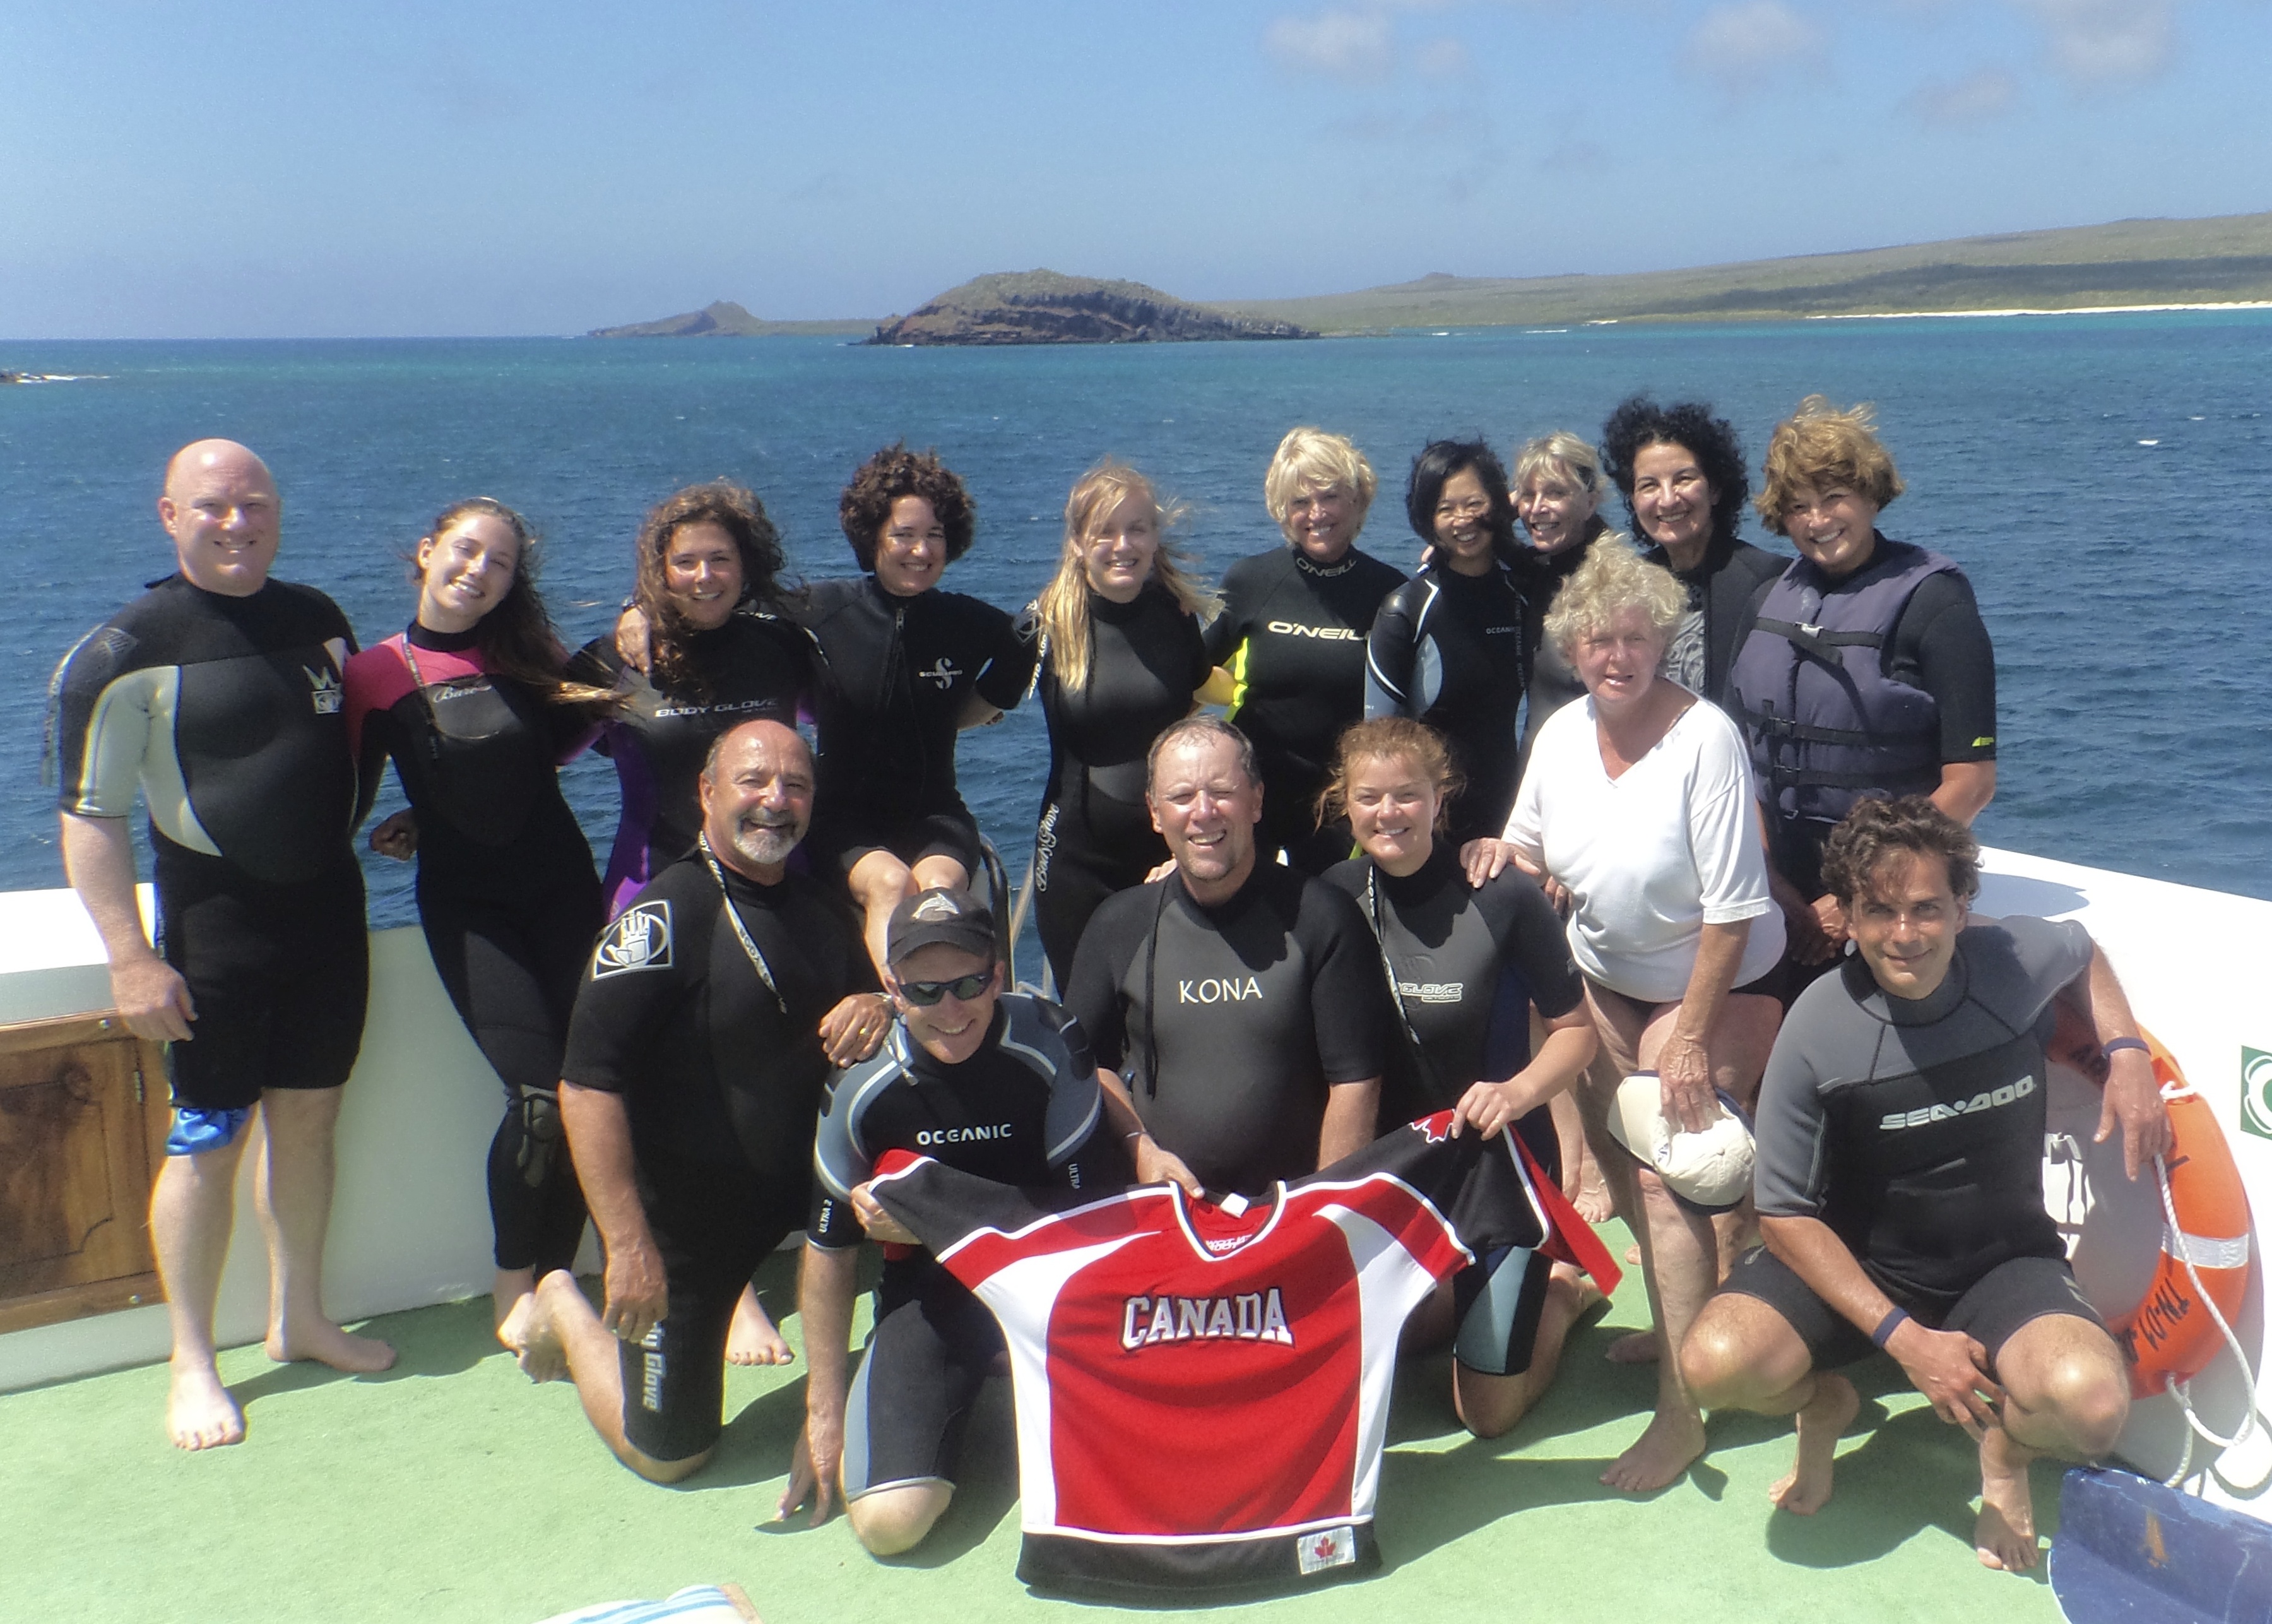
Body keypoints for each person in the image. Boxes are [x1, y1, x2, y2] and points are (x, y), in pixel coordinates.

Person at [1679, 797, 2169, 1572]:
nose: (1904, 934)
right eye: (1879, 910)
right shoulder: (1819, 1025)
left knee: (2095, 1408)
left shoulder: (2012, 961)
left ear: (1962, 906)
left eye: (1925, 908)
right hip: (1860, 1262)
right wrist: (1906, 1341)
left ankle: (2003, 1454)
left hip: (2002, 1262)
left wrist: (2127, 1049)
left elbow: (2084, 951)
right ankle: (1826, 1401)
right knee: (1713, 1364)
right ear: (1850, 913)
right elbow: (1782, 1214)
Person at [52, 438, 393, 1450]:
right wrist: (130, 955)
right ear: (169, 515)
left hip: (329, 918)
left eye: (255, 503)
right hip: (215, 933)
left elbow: (356, 749)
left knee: (312, 1124)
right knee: (206, 1143)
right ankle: (192, 1359)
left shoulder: (319, 620)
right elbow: (90, 815)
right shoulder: (124, 651)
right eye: (213, 507)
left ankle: (302, 1317)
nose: (237, 521)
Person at [1475, 541, 1786, 1491]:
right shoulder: (1564, 731)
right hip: (1604, 977)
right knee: (1619, 1164)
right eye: (1600, 639)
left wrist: (1689, 1035)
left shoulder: (1706, 740)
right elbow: (1525, 846)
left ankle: (1684, 1414)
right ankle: (1682, 1319)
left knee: (1667, 1181)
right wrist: (1497, 853)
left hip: (1712, 980)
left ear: (1665, 643)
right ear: (1573, 646)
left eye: (1638, 638)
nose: (1619, 655)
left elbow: (1733, 911)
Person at [512, 720, 890, 1484]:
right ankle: (559, 1301)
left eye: (796, 785)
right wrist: (628, 1248)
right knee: (673, 1457)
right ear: (707, 793)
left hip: (804, 1194)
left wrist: (876, 1001)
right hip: (687, 1230)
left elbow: (875, 1003)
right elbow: (586, 1085)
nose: (775, 801)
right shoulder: (664, 917)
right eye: (754, 781)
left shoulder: (818, 909)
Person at [781, 886, 1130, 1555]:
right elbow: (827, 1248)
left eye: (970, 983)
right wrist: (820, 1409)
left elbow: (1091, 1221)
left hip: (1050, 1287)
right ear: (892, 985)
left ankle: (1016, 1375)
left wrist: (938, 1214)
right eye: (923, 991)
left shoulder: (1050, 1042)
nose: (950, 1009)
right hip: (931, 1300)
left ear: (999, 972)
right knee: (890, 1525)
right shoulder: (860, 1079)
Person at [345, 497, 609, 1342]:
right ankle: (514, 1283)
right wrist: (422, 815)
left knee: (587, 1089)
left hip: (566, 892)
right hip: (471, 911)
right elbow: (340, 798)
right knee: (537, 1098)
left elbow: (555, 748)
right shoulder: (376, 673)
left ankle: (563, 1274)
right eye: (465, 551)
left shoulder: (528, 654)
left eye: (498, 563)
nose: (478, 571)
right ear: (427, 552)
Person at [1322, 718, 1601, 1436]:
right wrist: (1167, 876)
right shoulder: (1327, 899)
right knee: (1380, 1343)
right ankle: (1450, 1291)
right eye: (1370, 797)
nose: (1390, 813)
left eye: (1409, 795)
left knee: (1485, 1414)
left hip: (1496, 1171)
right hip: (1399, 1174)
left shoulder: (1501, 893)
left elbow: (1579, 1035)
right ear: (1345, 804)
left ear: (1440, 799)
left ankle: (1563, 1291)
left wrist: (1516, 1093)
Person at [1064, 716, 1392, 1198]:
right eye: (1181, 797)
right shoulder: (1119, 924)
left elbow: (1356, 1082)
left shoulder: (1323, 918)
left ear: (1256, 800)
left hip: (1291, 1213)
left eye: (1222, 791)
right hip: (1165, 1209)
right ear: (1155, 812)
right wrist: (1141, 1151)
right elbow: (1083, 1064)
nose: (1203, 812)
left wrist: (1324, 1208)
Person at [1731, 396, 1999, 975]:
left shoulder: (1936, 602)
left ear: (1871, 494)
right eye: (1798, 506)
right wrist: (1773, 885)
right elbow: (1741, 763)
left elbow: (1972, 782)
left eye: (1833, 498)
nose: (1818, 520)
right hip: (1776, 893)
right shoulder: (1766, 599)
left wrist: (1861, 898)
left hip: (1888, 899)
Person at [800, 446, 1037, 972]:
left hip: (936, 813)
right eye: (903, 534)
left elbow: (1027, 642)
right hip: (844, 817)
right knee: (890, 883)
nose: (920, 549)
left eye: (934, 535)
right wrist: (638, 611)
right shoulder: (824, 608)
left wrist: (972, 710)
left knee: (940, 889)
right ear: (872, 537)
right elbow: (736, 604)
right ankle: (904, 1010)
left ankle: (951, 1015)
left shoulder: (965, 620)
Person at [577, 482, 814, 917]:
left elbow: (858, 714)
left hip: (780, 882)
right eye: (685, 562)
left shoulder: (784, 647)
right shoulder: (614, 659)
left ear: (746, 565)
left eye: (720, 559)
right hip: (651, 889)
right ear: (661, 571)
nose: (704, 576)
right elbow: (534, 750)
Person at [1023, 460, 1216, 991]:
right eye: (1104, 531)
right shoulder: (1045, 624)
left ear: (1155, 537)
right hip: (1075, 862)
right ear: (1079, 543)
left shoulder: (1176, 617)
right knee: (1088, 1031)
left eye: (1136, 528)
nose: (1122, 544)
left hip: (1169, 855)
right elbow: (975, 699)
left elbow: (1207, 688)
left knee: (1177, 1017)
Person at [1204, 427, 1405, 873]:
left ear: (1357, 500)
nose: (1316, 513)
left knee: (1333, 923)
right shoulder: (1249, 581)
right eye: (1300, 502)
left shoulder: (1391, 593)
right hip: (1253, 791)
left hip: (1340, 798)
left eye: (1330, 496)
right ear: (1282, 510)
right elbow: (1186, 672)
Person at [1364, 441, 1529, 847]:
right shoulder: (1406, 609)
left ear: (1496, 503)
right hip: (1428, 826)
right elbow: (1377, 741)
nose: (1462, 520)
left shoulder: (1524, 596)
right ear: (1427, 520)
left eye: (1474, 504)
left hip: (1510, 817)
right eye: (1445, 509)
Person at [1599, 396, 1784, 714]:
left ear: (1714, 489)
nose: (1668, 500)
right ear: (1633, 499)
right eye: (1649, 485)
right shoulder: (1627, 586)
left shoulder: (1768, 581)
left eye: (1684, 479)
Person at [1509, 430, 1624, 774]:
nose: (1538, 508)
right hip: (1533, 780)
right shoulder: (1532, 571)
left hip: (1595, 781)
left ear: (1591, 502)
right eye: (1528, 495)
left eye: (1556, 493)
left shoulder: (1616, 583)